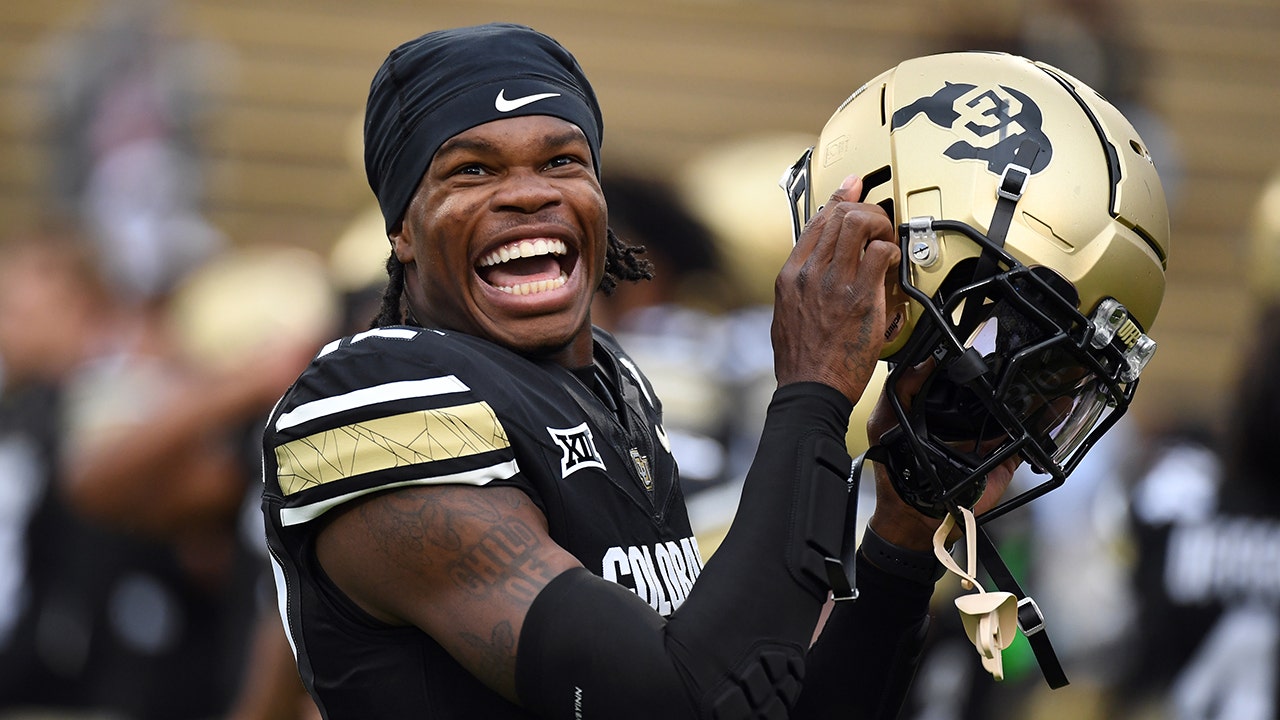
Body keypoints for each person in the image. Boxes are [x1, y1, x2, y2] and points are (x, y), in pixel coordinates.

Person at [261, 24, 1167, 720]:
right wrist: (813, 389)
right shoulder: (376, 403)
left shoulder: (612, 386)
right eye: (471, 170)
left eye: (562, 160)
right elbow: (671, 702)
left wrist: (900, 530)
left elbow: (764, 703)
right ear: (401, 228)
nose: (530, 192)